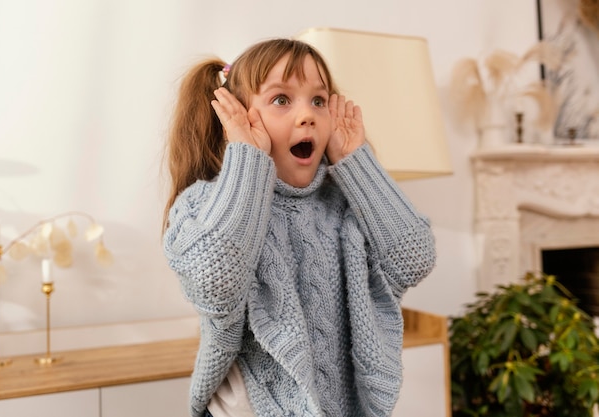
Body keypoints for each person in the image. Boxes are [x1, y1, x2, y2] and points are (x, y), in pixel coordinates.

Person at [162, 37, 436, 417]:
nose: (307, 114)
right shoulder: (203, 203)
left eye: (319, 101)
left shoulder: (344, 206)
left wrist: (357, 161)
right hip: (249, 407)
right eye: (281, 100)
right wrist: (247, 158)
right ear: (240, 116)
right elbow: (215, 280)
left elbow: (414, 257)